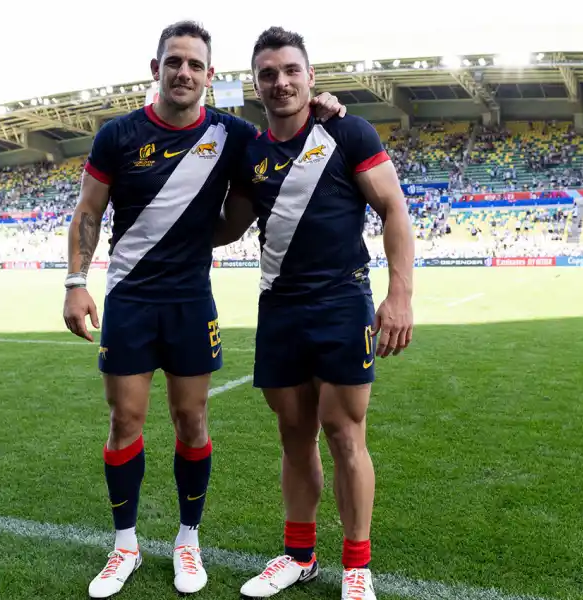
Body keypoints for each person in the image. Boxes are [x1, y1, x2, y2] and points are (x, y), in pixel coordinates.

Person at [61, 21, 346, 599]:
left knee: (192, 421)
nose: (184, 73)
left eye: (195, 65)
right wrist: (74, 281)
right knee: (125, 423)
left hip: (191, 301)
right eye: (174, 62)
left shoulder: (232, 135)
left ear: (210, 77)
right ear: (156, 68)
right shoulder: (117, 135)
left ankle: (187, 541)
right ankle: (126, 546)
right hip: (131, 300)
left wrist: (323, 106)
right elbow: (88, 210)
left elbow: (287, 132)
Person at [214, 26, 415, 600]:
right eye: (268, 74)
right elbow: (230, 226)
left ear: (310, 76)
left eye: (290, 71)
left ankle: (356, 566)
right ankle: (299, 556)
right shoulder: (251, 152)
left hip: (341, 304)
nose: (280, 82)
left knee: (344, 431)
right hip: (278, 308)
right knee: (293, 436)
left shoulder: (346, 131)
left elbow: (393, 208)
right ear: (256, 84)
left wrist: (398, 297)